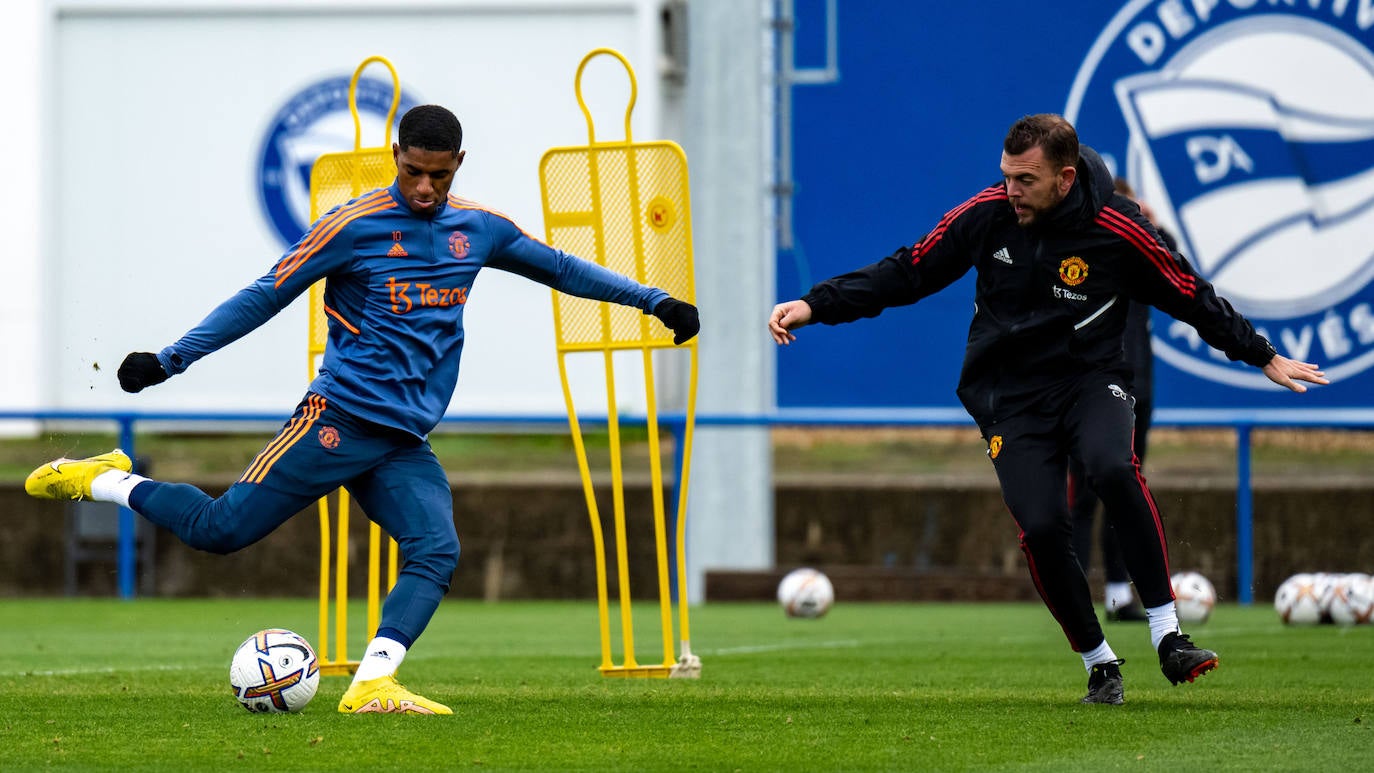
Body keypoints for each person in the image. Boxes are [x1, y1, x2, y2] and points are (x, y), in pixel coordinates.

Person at [25, 105, 700, 715]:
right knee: (219, 531)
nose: (425, 188)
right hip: (336, 418)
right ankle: (104, 477)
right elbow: (266, 294)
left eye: (438, 175)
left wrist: (653, 300)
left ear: (457, 165)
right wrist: (173, 358)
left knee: (437, 548)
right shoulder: (353, 226)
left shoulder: (480, 230)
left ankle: (373, 683)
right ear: (395, 156)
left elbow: (562, 268)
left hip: (403, 440)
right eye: (413, 172)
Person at [768, 114, 1326, 705]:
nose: (1011, 190)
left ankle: (1169, 635)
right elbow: (908, 271)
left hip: (1092, 380)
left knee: (1112, 466)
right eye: (1006, 176)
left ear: (1064, 178)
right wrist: (814, 304)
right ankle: (1100, 663)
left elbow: (1189, 295)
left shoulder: (1120, 229)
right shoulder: (985, 214)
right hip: (1009, 397)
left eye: (1025, 180)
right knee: (1040, 525)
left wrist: (1259, 353)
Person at [1067, 177, 1177, 624]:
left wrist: (1153, 224)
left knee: (1123, 490)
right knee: (1083, 497)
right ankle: (1071, 600)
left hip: (1137, 387)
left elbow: (1176, 265)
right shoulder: (1091, 249)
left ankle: (1117, 596)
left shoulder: (1142, 248)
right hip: (1089, 388)